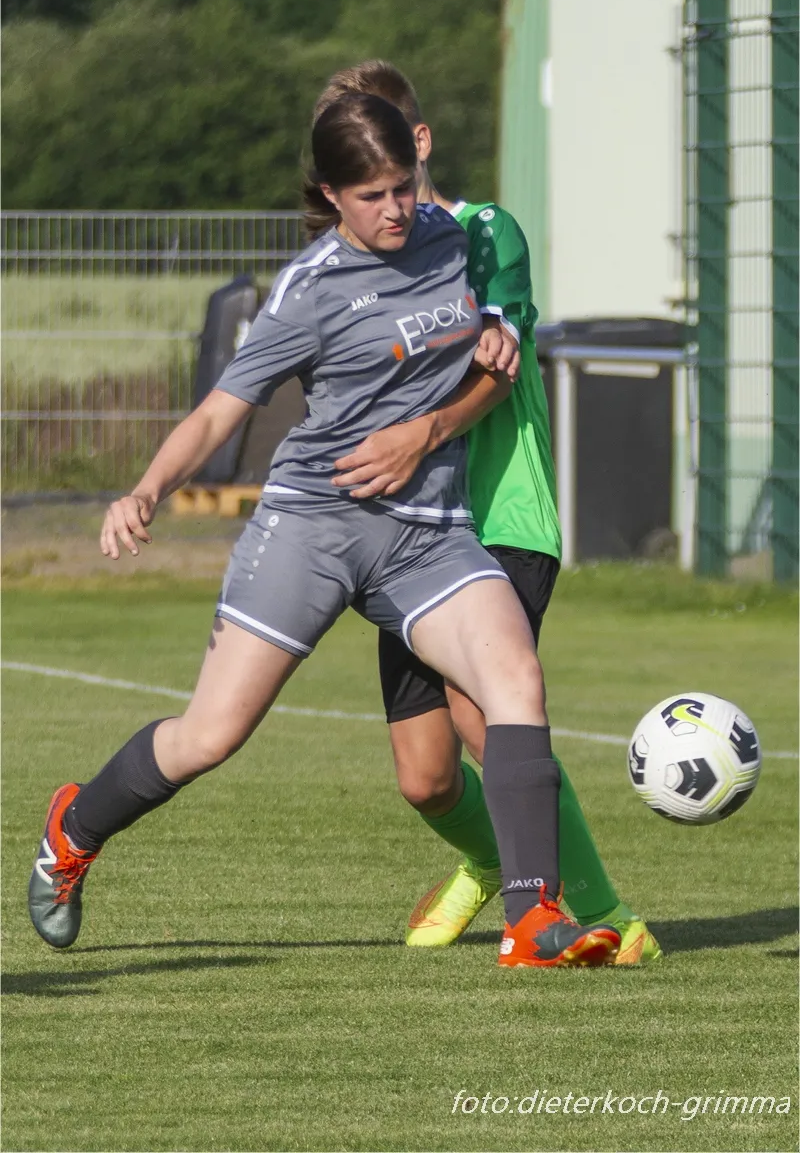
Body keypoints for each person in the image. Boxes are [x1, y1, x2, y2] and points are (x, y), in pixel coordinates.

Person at [28, 92, 621, 969]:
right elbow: (220, 411)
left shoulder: (458, 244)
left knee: (515, 679)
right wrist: (146, 490)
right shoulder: (309, 290)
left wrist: (457, 392)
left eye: (405, 186)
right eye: (373, 195)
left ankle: (532, 917)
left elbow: (497, 365)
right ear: (332, 194)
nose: (397, 208)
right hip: (314, 526)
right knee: (210, 736)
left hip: (427, 534)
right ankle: (73, 830)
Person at [312, 62, 661, 966]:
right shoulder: (357, 270)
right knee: (426, 778)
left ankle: (607, 916)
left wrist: (422, 419)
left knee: (484, 716)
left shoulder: (485, 230)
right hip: (410, 537)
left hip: (501, 518)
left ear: (419, 141)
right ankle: (493, 859)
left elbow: (496, 345)